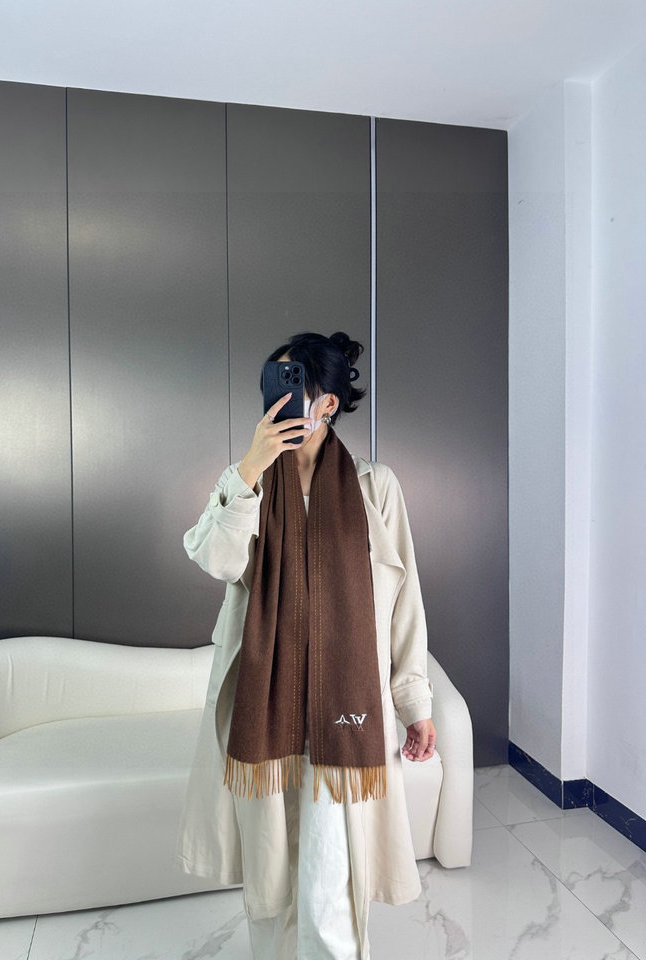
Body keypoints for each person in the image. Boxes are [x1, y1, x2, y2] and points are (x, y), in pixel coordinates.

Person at [174, 331, 437, 960]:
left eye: (296, 387)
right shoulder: (249, 483)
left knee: (328, 882)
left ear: (327, 403)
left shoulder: (375, 487)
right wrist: (248, 468)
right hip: (266, 703)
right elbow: (215, 558)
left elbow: (404, 602)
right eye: (274, 384)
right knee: (270, 884)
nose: (282, 401)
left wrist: (414, 702)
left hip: (345, 710)